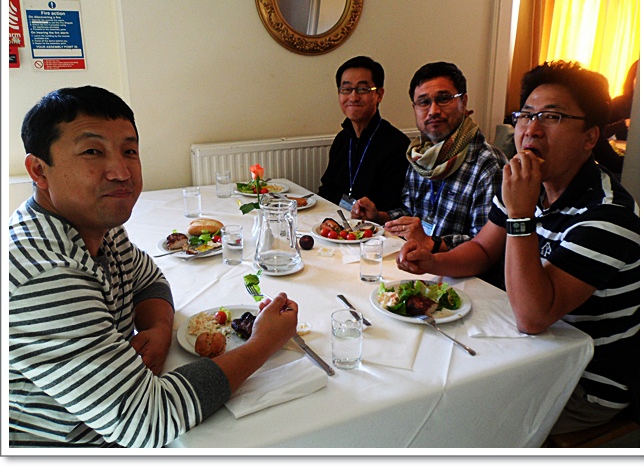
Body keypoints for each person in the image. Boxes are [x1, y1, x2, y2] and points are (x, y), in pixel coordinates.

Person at [8, 86, 299, 447]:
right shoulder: (45, 276)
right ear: (39, 170)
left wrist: (158, 329)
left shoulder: (98, 227)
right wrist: (262, 344)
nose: (120, 172)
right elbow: (148, 420)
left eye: (129, 151)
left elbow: (148, 280)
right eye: (92, 151)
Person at [397, 61, 640, 433]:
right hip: (526, 351)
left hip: (583, 384)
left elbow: (532, 316)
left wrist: (520, 214)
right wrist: (434, 261)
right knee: (416, 373)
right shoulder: (529, 184)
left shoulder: (608, 215)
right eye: (526, 115)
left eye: (552, 117)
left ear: (590, 137)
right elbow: (482, 250)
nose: (531, 130)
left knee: (450, 420)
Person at [351, 62, 507, 271]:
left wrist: (432, 242)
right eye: (423, 102)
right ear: (415, 109)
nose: (433, 111)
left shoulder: (487, 164)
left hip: (463, 276)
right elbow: (410, 212)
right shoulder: (421, 155)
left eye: (443, 99)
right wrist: (379, 217)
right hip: (420, 263)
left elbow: (488, 249)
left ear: (463, 102)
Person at [317, 56, 410, 211]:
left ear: (379, 94)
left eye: (362, 89)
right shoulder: (342, 139)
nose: (353, 97)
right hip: (337, 220)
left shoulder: (397, 145)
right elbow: (327, 190)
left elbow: (395, 208)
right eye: (346, 89)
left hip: (374, 224)